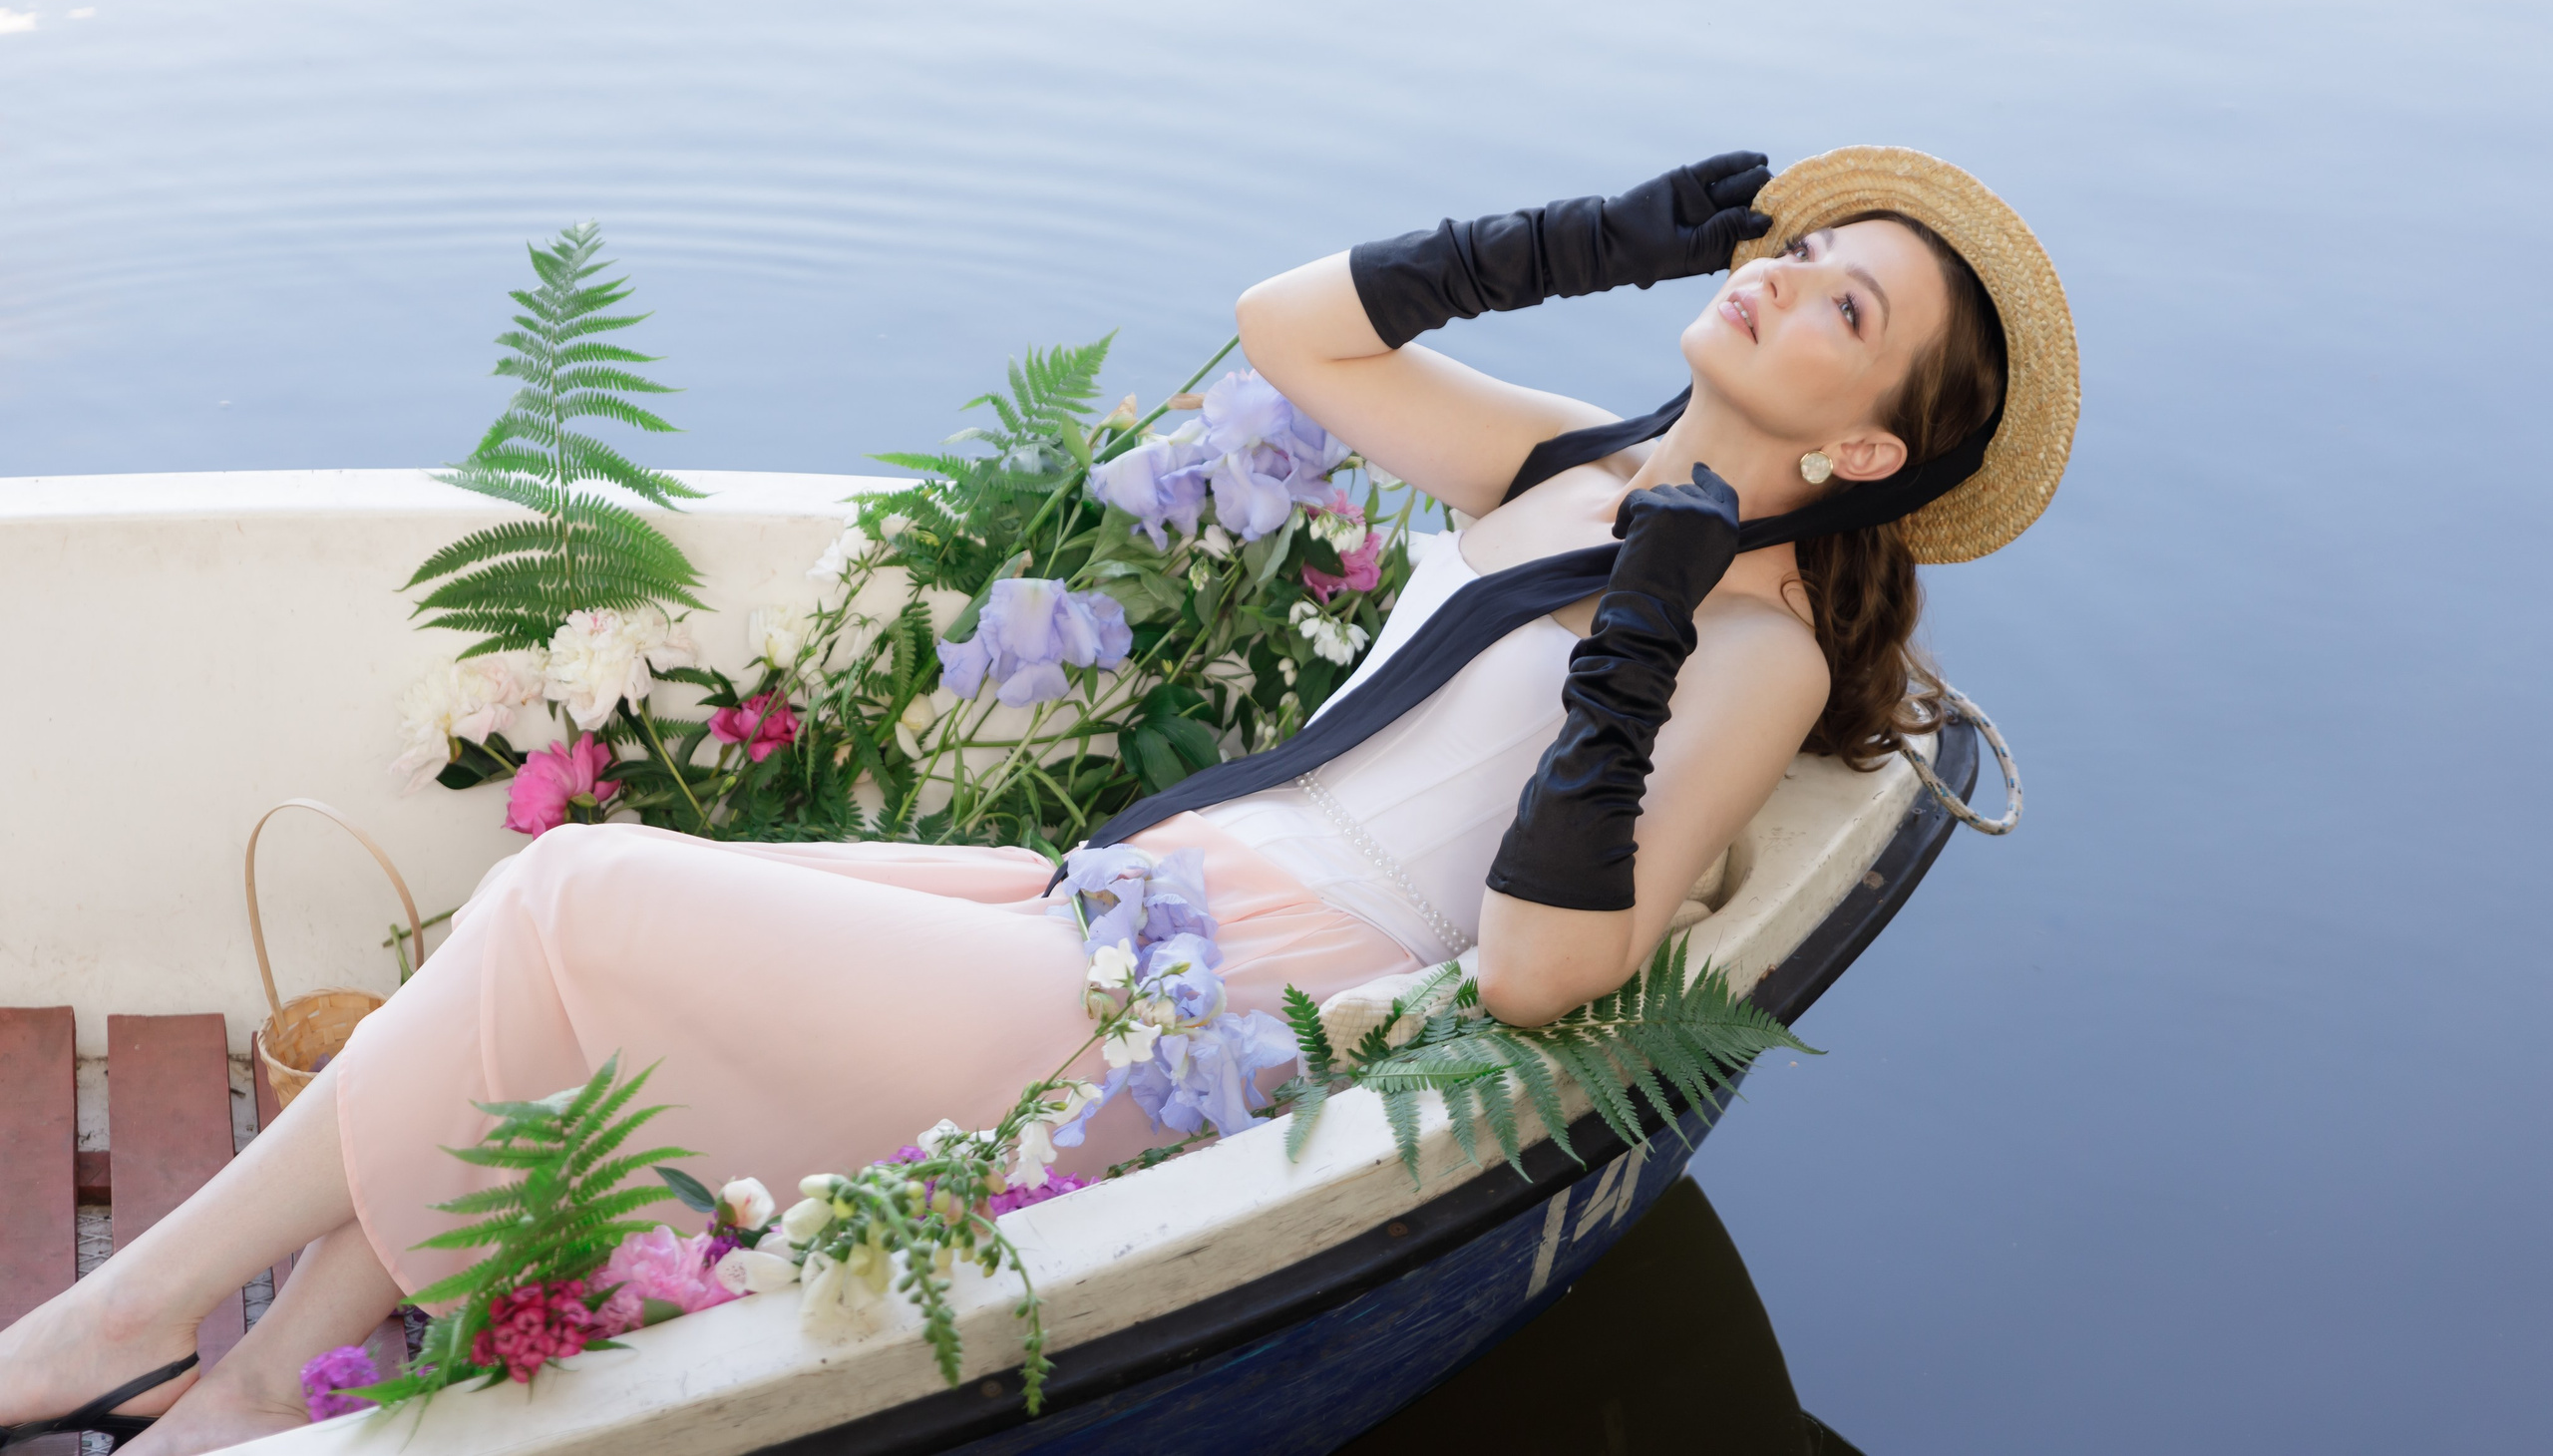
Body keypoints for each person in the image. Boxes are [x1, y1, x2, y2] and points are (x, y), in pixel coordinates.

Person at [0, 146, 2075, 1454]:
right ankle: (255, 1383)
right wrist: (1582, 238)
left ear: (1876, 448)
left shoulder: (1756, 646)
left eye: (1839, 307)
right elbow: (1293, 335)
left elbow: (1543, 973)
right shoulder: (1581, 460)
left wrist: (1631, 646)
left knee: (573, 908)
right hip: (1116, 897)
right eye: (1793, 249)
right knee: (564, 930)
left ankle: (128, 1321)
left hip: (1216, 1018)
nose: (1777, 280)